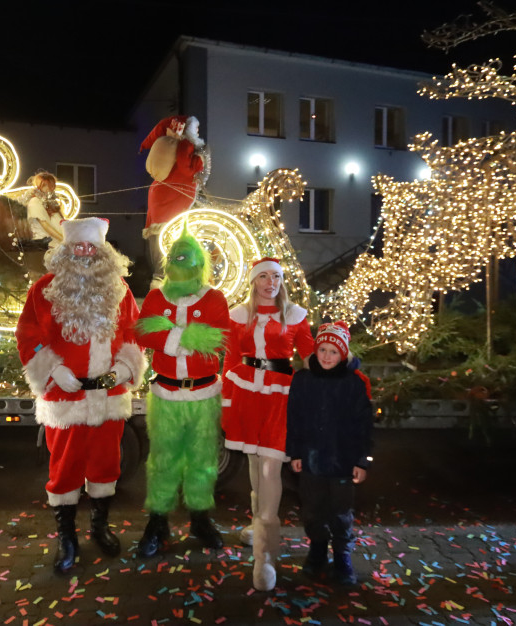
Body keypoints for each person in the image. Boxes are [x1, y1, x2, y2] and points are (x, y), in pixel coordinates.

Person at [15, 217, 146, 574]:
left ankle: (100, 526)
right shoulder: (44, 289)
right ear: (66, 249)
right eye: (79, 246)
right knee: (65, 468)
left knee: (107, 466)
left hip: (108, 396)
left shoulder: (119, 289)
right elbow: (28, 335)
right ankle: (67, 536)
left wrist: (124, 367)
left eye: (92, 246)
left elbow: (134, 333)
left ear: (103, 251)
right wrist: (53, 370)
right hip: (64, 399)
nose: (85, 253)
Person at [134, 225, 231, 557]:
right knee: (162, 460)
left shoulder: (215, 298)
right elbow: (144, 332)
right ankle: (157, 524)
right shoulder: (158, 297)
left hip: (204, 395)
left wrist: (171, 334)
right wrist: (187, 338)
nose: (181, 268)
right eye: (176, 261)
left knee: (202, 461)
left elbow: (216, 340)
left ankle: (200, 520)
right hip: (166, 395)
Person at [222, 257, 315, 591]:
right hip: (247, 393)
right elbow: (231, 359)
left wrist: (340, 361)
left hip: (280, 395)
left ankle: (265, 557)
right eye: (263, 276)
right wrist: (227, 402)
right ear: (253, 282)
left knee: (269, 471)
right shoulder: (238, 316)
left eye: (275, 276)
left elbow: (310, 355)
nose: (270, 282)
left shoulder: (295, 315)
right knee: (253, 465)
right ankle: (255, 523)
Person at [286, 321, 374, 585]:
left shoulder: (354, 384)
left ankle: (341, 554)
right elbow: (295, 418)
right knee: (312, 509)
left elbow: (364, 425)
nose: (326, 356)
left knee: (340, 510)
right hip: (311, 459)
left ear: (343, 354)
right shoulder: (303, 380)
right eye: (322, 349)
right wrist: (296, 453)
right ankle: (317, 550)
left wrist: (362, 460)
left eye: (333, 352)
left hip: (343, 462)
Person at [138, 115, 209, 286]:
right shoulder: (185, 145)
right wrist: (200, 159)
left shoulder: (170, 145)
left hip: (161, 194)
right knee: (171, 238)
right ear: (189, 129)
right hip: (172, 198)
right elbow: (186, 168)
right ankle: (166, 279)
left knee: (158, 236)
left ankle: (159, 278)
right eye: (196, 128)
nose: (198, 131)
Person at [26, 170, 65, 244]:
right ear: (38, 186)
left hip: (56, 243)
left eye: (52, 185)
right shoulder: (35, 201)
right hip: (44, 244)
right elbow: (45, 225)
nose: (49, 188)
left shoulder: (52, 203)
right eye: (45, 185)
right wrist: (64, 240)